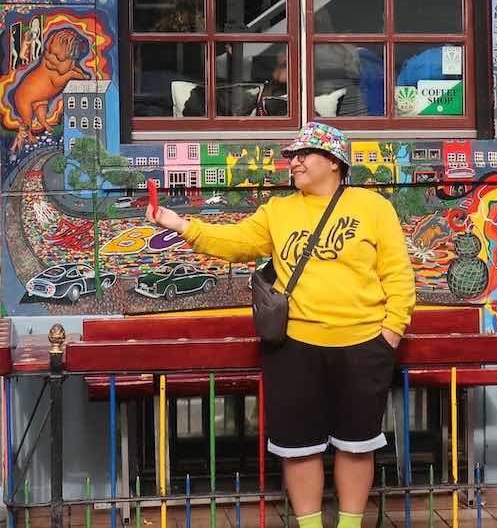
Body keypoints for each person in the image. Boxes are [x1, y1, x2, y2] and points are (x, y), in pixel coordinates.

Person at [147, 122, 416, 528]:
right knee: (298, 448)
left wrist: (390, 331)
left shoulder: (372, 207)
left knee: (357, 446)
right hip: (294, 346)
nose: (294, 162)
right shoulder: (279, 210)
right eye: (292, 156)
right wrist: (182, 225)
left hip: (364, 345)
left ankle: (349, 525)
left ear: (333, 161)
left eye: (304, 154)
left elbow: (398, 274)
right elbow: (235, 242)